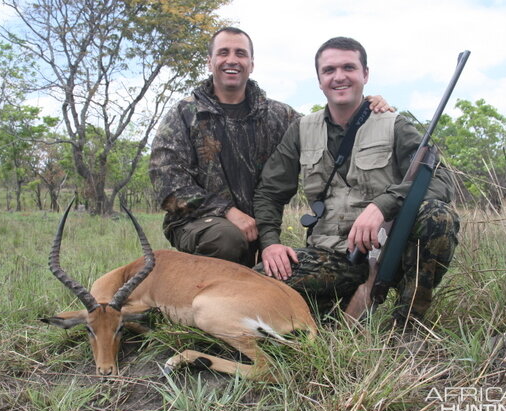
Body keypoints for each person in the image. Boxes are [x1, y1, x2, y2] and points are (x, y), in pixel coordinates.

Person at [253, 36, 459, 324]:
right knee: (256, 285)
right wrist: (271, 243)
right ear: (319, 80)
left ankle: (407, 321)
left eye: (349, 67)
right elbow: (269, 193)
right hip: (332, 255)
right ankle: (330, 311)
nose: (339, 77)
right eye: (329, 70)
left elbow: (440, 180)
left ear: (365, 74)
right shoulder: (301, 129)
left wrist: (383, 205)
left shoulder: (394, 124)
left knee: (439, 216)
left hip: (389, 252)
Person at [149, 28, 391, 267]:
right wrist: (227, 211)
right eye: (223, 52)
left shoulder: (279, 115)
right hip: (200, 223)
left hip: (256, 228)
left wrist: (364, 108)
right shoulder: (182, 114)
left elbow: (326, 130)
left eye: (240, 53)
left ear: (251, 64)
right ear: (210, 61)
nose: (232, 60)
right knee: (226, 238)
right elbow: (169, 187)